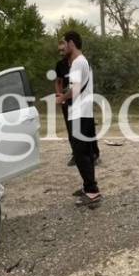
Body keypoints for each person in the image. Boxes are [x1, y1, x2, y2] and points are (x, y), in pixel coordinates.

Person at [56, 31, 101, 206]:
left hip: (79, 114)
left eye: (63, 43)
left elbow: (74, 90)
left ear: (71, 44)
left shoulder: (76, 63)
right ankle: (89, 186)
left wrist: (61, 98)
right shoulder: (85, 62)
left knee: (80, 154)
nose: (61, 46)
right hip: (86, 113)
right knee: (87, 153)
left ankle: (92, 192)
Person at [54, 39, 76, 167]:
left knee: (85, 127)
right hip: (66, 100)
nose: (61, 52)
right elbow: (58, 81)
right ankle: (75, 154)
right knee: (70, 127)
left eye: (63, 50)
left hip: (80, 99)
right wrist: (59, 95)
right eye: (59, 51)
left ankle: (93, 153)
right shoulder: (60, 64)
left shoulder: (78, 62)